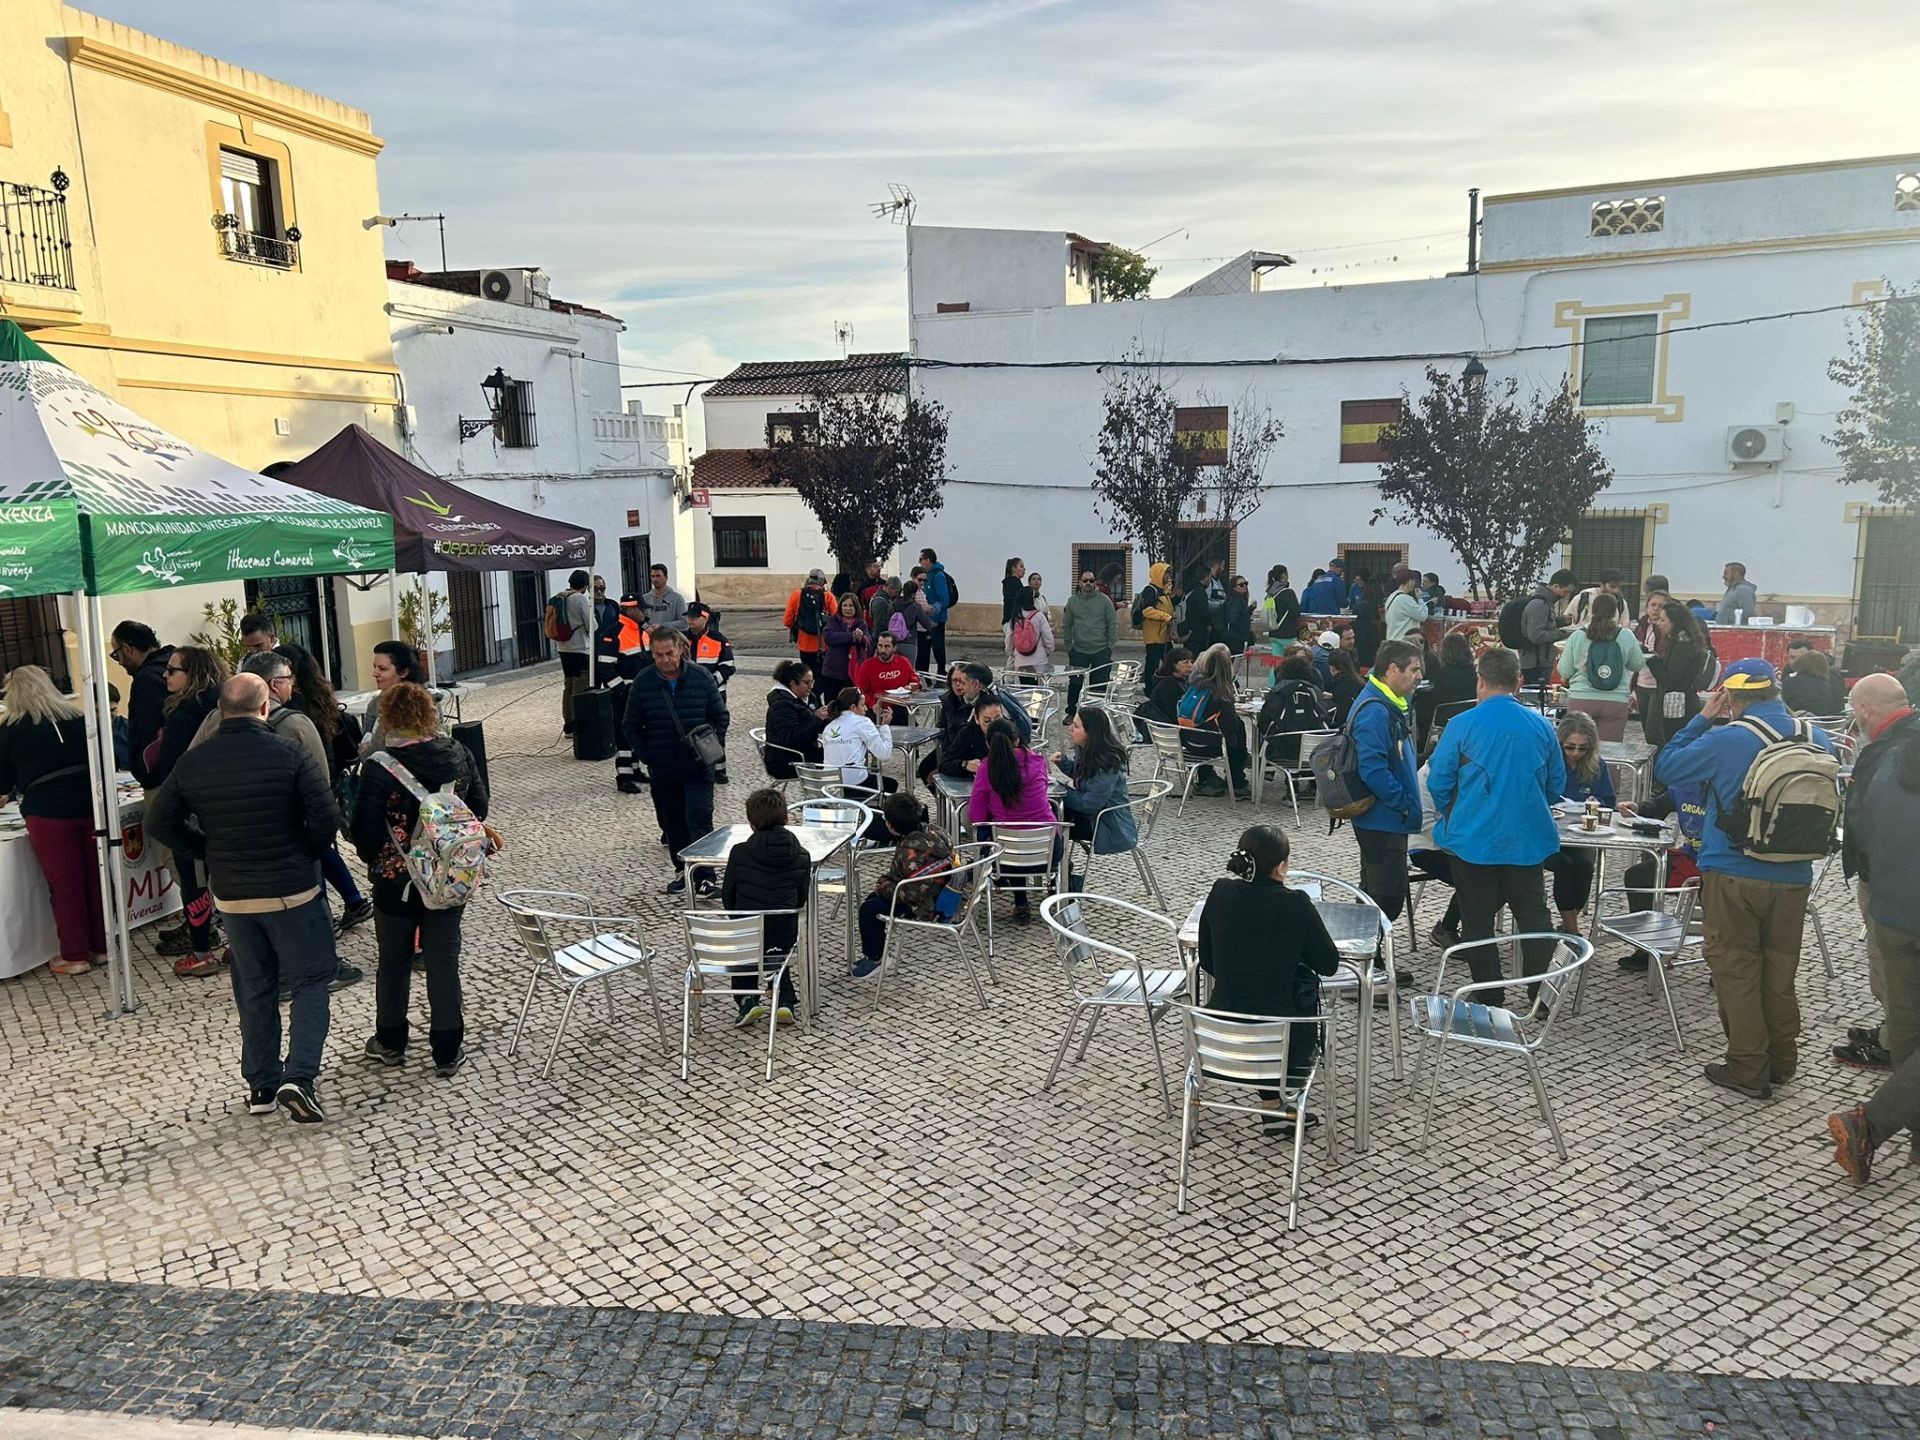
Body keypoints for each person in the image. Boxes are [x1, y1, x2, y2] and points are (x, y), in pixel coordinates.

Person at [146, 674, 343, 1124]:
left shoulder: (194, 762)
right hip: (292, 889)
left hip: (234, 896)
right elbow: (326, 816)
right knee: (312, 979)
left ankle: (261, 1085)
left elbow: (160, 821)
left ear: (220, 711)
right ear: (265, 708)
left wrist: (207, 849)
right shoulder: (290, 753)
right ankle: (301, 1077)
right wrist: (304, 852)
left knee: (254, 987)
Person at [1653, 658, 1836, 1099]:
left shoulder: (1730, 739)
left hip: (1734, 872)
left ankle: (1749, 1068)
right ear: (1775, 690)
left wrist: (1701, 719)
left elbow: (1667, 768)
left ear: (1730, 697)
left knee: (1737, 969)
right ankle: (1782, 1060)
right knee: (1779, 971)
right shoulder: (1818, 737)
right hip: (1794, 873)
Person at [349, 683, 487, 1077]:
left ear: (388, 717)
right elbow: (479, 806)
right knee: (444, 960)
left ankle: (391, 1041)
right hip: (448, 875)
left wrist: (382, 859)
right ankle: (447, 1048)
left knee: (393, 960)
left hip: (396, 880)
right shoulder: (458, 754)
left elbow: (364, 828)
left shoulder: (380, 766)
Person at [1425, 646, 1563, 1008]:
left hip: (1473, 838)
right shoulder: (1542, 725)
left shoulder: (1462, 725)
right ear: (1518, 681)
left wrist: (1455, 811)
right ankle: (1539, 993)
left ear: (1480, 679)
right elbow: (1556, 785)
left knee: (1477, 919)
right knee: (1533, 916)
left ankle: (1489, 994)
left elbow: (1438, 781)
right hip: (1527, 837)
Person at [1825, 684, 1920, 1183]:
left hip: (1891, 910)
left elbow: (1861, 830)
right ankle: (1870, 1124)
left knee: (1907, 1030)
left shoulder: (1883, 760)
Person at [1196, 826, 1342, 1098]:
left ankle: (1272, 1107)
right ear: (1281, 867)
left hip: (1219, 1038)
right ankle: (1276, 1107)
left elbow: (1207, 959)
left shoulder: (1221, 892)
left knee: (1264, 1008)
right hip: (1282, 1046)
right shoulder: (1296, 903)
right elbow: (1328, 965)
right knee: (1281, 1010)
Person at [1832, 674, 1918, 1069]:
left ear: (1865, 708)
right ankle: (1890, 1031)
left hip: (1888, 881)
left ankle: (1894, 1046)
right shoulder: (1907, 736)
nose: (1854, 718)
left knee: (1891, 968)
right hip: (1896, 876)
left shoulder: (1893, 748)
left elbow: (1877, 818)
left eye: (1854, 710)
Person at [0, 665, 105, 975]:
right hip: (88, 803)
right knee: (94, 877)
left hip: (47, 811)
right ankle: (101, 948)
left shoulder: (11, 729)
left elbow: (3, 783)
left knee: (65, 884)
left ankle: (74, 955)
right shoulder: (76, 718)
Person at [275, 642, 374, 937]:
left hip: (311, 789)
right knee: (323, 849)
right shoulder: (321, 699)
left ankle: (327, 917)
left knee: (314, 853)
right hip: (328, 784)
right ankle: (354, 901)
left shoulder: (293, 709)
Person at [623, 628, 730, 897]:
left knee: (699, 817)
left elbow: (720, 716)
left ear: (680, 649)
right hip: (664, 767)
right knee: (674, 823)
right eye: (657, 655)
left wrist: (711, 745)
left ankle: (705, 876)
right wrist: (647, 754)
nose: (664, 659)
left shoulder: (701, 677)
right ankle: (683, 871)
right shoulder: (643, 682)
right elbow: (630, 724)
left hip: (697, 765)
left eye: (669, 653)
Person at [150, 645, 230, 978]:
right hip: (227, 809)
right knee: (226, 880)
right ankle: (236, 946)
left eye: (172, 670)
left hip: (194, 811)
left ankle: (201, 951)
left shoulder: (185, 715)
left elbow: (173, 769)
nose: (165, 676)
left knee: (195, 881)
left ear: (193, 673)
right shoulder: (225, 705)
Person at [1344, 638, 1424, 930]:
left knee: (1374, 893)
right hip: (1383, 819)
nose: (1419, 676)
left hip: (1387, 818)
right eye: (1414, 669)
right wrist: (1403, 803)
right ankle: (1370, 961)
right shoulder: (1375, 710)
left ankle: (1368, 959)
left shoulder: (1385, 704)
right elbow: (1373, 769)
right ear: (1393, 669)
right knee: (1386, 897)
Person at [719, 788, 809, 1027]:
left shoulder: (739, 853)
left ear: (751, 823)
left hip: (749, 926)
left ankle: (747, 998)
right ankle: (784, 999)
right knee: (776, 942)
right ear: (786, 818)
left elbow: (728, 896)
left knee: (745, 936)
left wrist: (739, 917)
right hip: (784, 927)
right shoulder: (802, 855)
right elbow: (801, 898)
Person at [970, 717, 1058, 922]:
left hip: (1005, 857)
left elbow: (976, 816)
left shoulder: (986, 769)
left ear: (988, 744)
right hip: (1048, 851)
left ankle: (1020, 901)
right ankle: (1059, 889)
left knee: (997, 836)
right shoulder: (1037, 763)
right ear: (1017, 740)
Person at [851, 819, 957, 979]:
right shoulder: (936, 833)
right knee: (872, 900)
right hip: (941, 892)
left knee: (868, 909)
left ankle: (876, 958)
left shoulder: (909, 851)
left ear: (893, 827)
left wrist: (883, 886)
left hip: (924, 904)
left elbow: (909, 893)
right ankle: (876, 950)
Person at [1543, 712, 1617, 935]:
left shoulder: (1597, 766)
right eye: (1570, 747)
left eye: (1582, 748)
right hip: (1548, 834)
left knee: (1585, 866)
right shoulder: (1548, 764)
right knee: (1564, 866)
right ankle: (1573, 931)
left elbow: (1609, 802)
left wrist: (1598, 803)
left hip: (1580, 834)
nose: (1575, 753)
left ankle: (1569, 922)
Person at [1054, 706, 1136, 871]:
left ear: (1091, 733)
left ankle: (1057, 867)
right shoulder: (1087, 749)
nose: (1070, 728)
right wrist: (1064, 763)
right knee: (1049, 812)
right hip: (1093, 814)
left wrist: (1061, 791)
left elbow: (1090, 804)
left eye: (1076, 726)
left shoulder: (1107, 761)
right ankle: (1056, 865)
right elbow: (1084, 776)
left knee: (1053, 819)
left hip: (1106, 823)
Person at [1557, 593, 1645, 741]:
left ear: (1592, 610)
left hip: (1581, 698)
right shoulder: (1626, 635)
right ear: (1616, 612)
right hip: (1616, 700)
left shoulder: (1578, 636)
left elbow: (1565, 670)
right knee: (1610, 751)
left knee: (1579, 748)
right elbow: (1637, 664)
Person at [1177, 643, 1250, 798]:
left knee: (1212, 727)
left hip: (1186, 741)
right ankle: (1237, 782)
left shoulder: (1194, 683)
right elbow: (1230, 723)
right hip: (1207, 746)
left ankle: (1206, 777)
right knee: (1236, 733)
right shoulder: (1221, 691)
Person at [110, 620, 173, 789]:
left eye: (116, 655)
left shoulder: (146, 679)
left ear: (127, 649)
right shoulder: (179, 664)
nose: (119, 663)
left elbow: (145, 728)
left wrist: (145, 772)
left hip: (162, 776)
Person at [1643, 598, 1713, 748]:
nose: (1658, 623)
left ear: (1674, 622)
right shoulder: (1678, 642)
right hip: (1677, 703)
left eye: (1663, 620)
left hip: (1679, 706)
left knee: (1672, 743)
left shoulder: (1682, 646)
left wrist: (1652, 661)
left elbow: (1671, 679)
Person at [1255, 650, 1333, 770]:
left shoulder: (1278, 692)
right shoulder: (1315, 692)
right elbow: (1325, 718)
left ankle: (1264, 771)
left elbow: (1263, 723)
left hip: (1282, 751)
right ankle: (1312, 785)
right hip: (1313, 752)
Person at [1060, 568, 1119, 712]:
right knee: (1075, 683)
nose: (1088, 583)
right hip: (1079, 650)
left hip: (1101, 650)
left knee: (1099, 685)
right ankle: (1072, 711)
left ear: (1095, 583)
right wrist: (1069, 647)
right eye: (1085, 580)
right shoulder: (1072, 601)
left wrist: (1109, 646)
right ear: (1080, 583)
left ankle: (1096, 714)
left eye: (1091, 581)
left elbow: (1112, 624)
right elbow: (1066, 625)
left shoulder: (1104, 601)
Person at [820, 687, 896, 794]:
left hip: (830, 787)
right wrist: (885, 726)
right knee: (891, 785)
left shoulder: (829, 727)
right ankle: (872, 810)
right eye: (863, 705)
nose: (866, 709)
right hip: (853, 784)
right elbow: (884, 754)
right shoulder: (863, 722)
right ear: (853, 707)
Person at [762, 659, 828, 779]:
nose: (811, 687)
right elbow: (792, 739)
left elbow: (819, 726)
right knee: (837, 762)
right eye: (807, 683)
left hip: (806, 751)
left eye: (812, 682)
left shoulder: (810, 697)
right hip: (786, 760)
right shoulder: (781, 705)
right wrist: (816, 719)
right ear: (793, 683)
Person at [359, 641, 428, 757]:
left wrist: (368, 749)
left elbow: (372, 752)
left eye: (382, 669)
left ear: (404, 672)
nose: (374, 673)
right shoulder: (375, 703)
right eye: (374, 667)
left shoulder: (427, 702)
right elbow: (365, 744)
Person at [1517, 570, 1576, 689]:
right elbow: (1536, 636)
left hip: (1540, 659)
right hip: (1536, 662)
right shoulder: (1539, 604)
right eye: (1566, 591)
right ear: (1556, 586)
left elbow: (1543, 625)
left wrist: (1559, 621)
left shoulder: (1545, 602)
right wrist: (1563, 634)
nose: (1566, 595)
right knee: (1536, 697)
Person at [920, 665, 974, 790]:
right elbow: (942, 728)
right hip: (949, 745)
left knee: (942, 771)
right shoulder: (948, 700)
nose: (958, 685)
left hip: (967, 750)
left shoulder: (973, 703)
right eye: (955, 681)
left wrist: (943, 767)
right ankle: (942, 804)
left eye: (962, 681)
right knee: (925, 768)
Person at [555, 569, 594, 739]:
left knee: (568, 687)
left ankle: (568, 725)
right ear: (585, 585)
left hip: (563, 648)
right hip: (579, 648)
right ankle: (579, 724)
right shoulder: (580, 599)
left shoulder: (559, 596)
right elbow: (591, 625)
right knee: (580, 687)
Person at [955, 661, 1033, 744]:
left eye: (963, 683)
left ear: (976, 684)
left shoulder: (989, 705)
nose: (960, 687)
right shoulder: (999, 693)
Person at [854, 629, 920, 720]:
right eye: (880, 646)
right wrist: (872, 704)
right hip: (877, 706)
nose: (883, 650)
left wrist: (909, 687)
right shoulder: (867, 665)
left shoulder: (904, 662)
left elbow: (916, 683)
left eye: (887, 646)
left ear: (894, 648)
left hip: (899, 705)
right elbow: (860, 690)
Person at [783, 568, 832, 681]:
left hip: (804, 645)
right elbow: (835, 619)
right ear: (822, 581)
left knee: (808, 677)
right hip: (823, 645)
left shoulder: (796, 595)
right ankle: (817, 696)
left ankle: (810, 696)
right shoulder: (827, 596)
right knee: (822, 677)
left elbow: (787, 621)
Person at [820, 592, 871, 692]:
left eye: (851, 605)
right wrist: (851, 637)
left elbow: (868, 642)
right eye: (845, 605)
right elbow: (829, 637)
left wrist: (861, 638)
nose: (848, 609)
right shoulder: (833, 620)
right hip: (833, 669)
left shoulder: (861, 623)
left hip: (853, 671)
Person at [1005, 573, 1055, 673]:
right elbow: (1048, 636)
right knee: (1038, 687)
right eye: (1034, 579)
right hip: (1039, 659)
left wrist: (1013, 653)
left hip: (1020, 660)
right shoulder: (1038, 615)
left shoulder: (1016, 617)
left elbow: (1009, 639)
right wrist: (1048, 651)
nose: (1036, 581)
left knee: (1024, 687)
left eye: (1039, 579)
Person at [916, 547, 956, 671]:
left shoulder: (938, 575)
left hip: (936, 619)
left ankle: (941, 673)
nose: (920, 562)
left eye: (921, 559)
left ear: (928, 560)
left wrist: (932, 609)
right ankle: (925, 675)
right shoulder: (928, 575)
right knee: (925, 649)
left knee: (938, 647)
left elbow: (944, 599)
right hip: (927, 620)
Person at [1136, 563, 1176, 681]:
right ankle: (1149, 688)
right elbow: (1147, 611)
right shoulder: (1150, 590)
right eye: (1166, 573)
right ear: (1160, 574)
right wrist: (1166, 617)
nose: (1168, 576)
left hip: (1163, 635)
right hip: (1154, 636)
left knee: (1170, 662)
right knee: (1153, 664)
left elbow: (1166, 606)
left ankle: (1165, 684)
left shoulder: (1162, 590)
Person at [683, 603, 736, 693]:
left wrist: (712, 683)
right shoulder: (680, 638)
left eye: (695, 617)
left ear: (706, 618)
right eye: (689, 616)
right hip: (687, 691)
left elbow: (727, 666)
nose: (691, 619)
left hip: (714, 691)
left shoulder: (718, 639)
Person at [1783, 649, 1846, 716]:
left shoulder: (1789, 682)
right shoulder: (1826, 685)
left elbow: (1783, 704)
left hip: (1798, 721)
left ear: (1800, 664)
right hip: (1825, 722)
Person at [1567, 568, 1635, 630]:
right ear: (1601, 584)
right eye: (1612, 586)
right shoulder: (1582, 598)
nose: (1616, 590)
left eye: (1619, 587)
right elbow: (1567, 622)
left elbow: (1624, 626)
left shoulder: (1621, 603)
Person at [1142, 648, 1194, 727]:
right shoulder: (1168, 684)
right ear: (1174, 664)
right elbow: (1174, 712)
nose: (1190, 665)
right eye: (1185, 662)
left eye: (1191, 662)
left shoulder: (1182, 680)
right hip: (1169, 727)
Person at [1427, 631, 1478, 709]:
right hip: (1469, 715)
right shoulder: (1472, 672)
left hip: (1445, 716)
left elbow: (1436, 698)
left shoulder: (1443, 674)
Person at [639, 563, 689, 635]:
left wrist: (663, 626)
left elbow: (684, 623)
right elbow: (639, 619)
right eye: (653, 576)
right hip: (651, 640)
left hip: (671, 640)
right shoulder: (645, 598)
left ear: (666, 577)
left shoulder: (677, 598)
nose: (655, 579)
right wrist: (647, 627)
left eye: (658, 576)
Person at [1382, 570, 1426, 647]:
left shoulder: (1392, 596)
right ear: (1409, 581)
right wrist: (1420, 599)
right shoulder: (1405, 599)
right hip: (1404, 643)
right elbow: (1423, 615)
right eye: (1413, 581)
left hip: (1391, 640)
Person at [1350, 577, 1385, 665]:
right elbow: (1375, 645)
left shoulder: (1351, 625)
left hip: (1355, 658)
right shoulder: (1373, 626)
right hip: (1369, 659)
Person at [1326, 648, 1364, 726]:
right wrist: (1333, 696)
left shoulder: (1341, 688)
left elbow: (1342, 716)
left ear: (1332, 668)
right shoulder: (1357, 681)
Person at [867, 575, 902, 641]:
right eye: (896, 592)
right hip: (881, 638)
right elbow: (879, 625)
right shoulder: (881, 602)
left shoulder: (883, 599)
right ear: (889, 588)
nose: (897, 595)